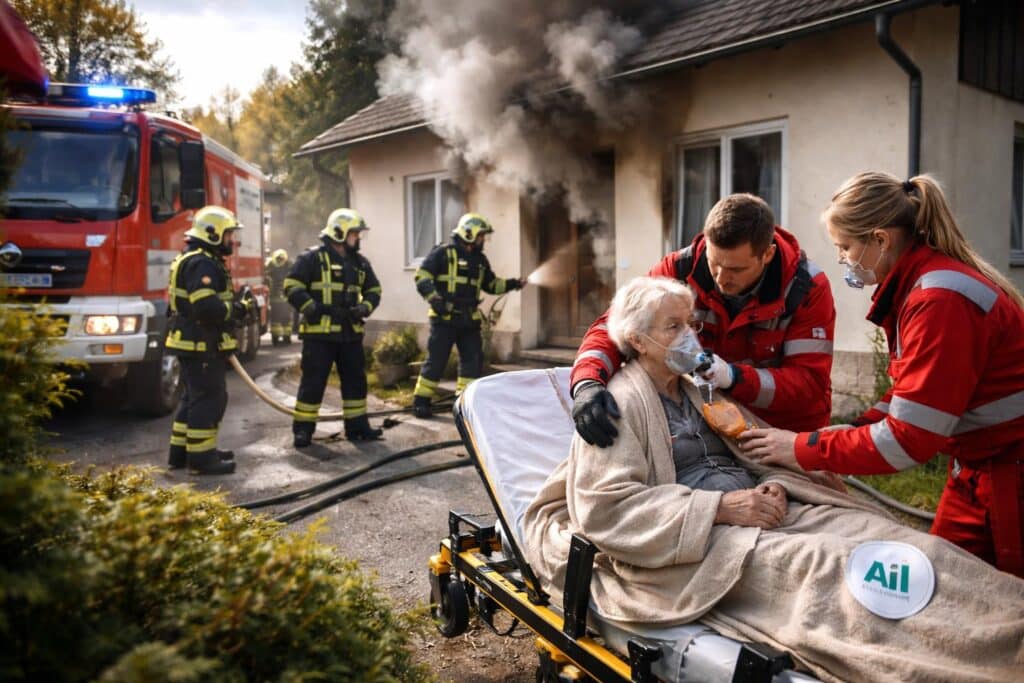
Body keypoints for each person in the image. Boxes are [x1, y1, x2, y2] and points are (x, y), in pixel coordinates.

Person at [522, 275, 1024, 682]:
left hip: (767, 510)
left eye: (689, 322)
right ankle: (974, 657)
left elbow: (757, 449)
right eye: (672, 327)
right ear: (637, 340)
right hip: (701, 543)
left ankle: (1009, 620)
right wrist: (723, 509)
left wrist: (775, 484)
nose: (690, 336)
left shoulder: (699, 389)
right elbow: (607, 509)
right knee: (831, 566)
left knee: (897, 542)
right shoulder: (618, 406)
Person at [741, 172, 1024, 579]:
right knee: (945, 584)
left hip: (1010, 472)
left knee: (1004, 602)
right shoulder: (921, 287)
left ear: (880, 240)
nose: (843, 260)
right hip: (978, 465)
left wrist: (801, 448)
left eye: (845, 247)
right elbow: (909, 399)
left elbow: (906, 442)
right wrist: (839, 440)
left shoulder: (938, 302)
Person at [571, 193, 836, 449]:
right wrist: (587, 383)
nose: (721, 278)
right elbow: (616, 325)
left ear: (767, 255)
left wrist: (733, 377)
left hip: (784, 432)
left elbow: (808, 384)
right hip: (711, 420)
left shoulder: (806, 288)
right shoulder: (678, 270)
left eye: (735, 269)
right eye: (714, 263)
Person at [284, 208, 383, 447]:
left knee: (355, 382)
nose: (358, 239)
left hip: (350, 334)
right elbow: (291, 286)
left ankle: (358, 428)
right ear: (339, 233)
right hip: (319, 336)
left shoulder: (360, 263)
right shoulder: (312, 258)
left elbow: (374, 290)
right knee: (313, 383)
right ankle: (303, 431)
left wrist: (364, 307)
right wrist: (311, 308)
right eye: (354, 234)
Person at [412, 212, 525, 418]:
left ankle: (463, 403)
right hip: (444, 319)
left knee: (472, 361)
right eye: (481, 235)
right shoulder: (443, 253)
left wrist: (514, 284)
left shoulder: (480, 261)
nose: (484, 240)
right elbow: (422, 275)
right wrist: (434, 298)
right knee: (436, 361)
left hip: (469, 320)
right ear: (469, 233)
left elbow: (491, 284)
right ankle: (421, 402)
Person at [165, 205, 252, 475]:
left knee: (192, 398)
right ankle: (201, 460)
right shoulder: (203, 262)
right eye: (228, 235)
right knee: (210, 398)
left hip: (193, 341)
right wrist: (237, 310)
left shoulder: (192, 257)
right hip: (200, 343)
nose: (231, 241)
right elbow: (206, 307)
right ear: (213, 234)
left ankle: (181, 453)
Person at [264, 248, 294, 345]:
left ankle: (278, 338)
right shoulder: (289, 265)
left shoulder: (270, 266)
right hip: (284, 299)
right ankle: (285, 337)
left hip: (278, 299)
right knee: (285, 319)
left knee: (277, 319)